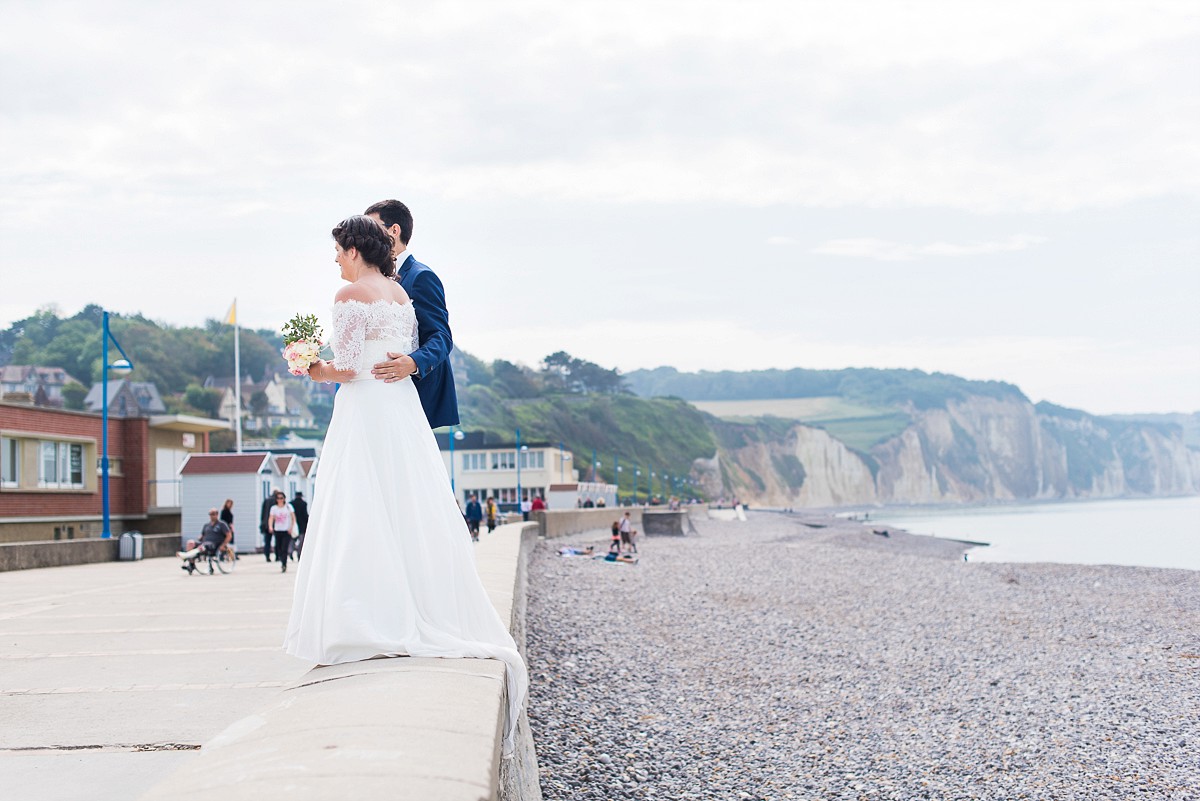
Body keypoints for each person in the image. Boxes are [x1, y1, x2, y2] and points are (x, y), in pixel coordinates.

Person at [284, 215, 526, 759]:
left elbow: (348, 368)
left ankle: (365, 619)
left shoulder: (350, 292)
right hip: (400, 412)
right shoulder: (397, 293)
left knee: (359, 507)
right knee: (405, 505)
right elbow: (387, 351)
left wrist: (309, 366)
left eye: (338, 250)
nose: (335, 260)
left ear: (354, 248)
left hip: (366, 409)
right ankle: (412, 607)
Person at [364, 200, 458, 429]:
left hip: (413, 392)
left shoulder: (421, 276)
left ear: (394, 230)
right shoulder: (373, 280)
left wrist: (413, 362)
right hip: (377, 395)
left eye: (373, 229)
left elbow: (441, 336)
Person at [268, 493, 296, 572]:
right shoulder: (274, 508)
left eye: (281, 498)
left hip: (286, 531)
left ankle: (284, 564)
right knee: (279, 548)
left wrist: (291, 528)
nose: (280, 500)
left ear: (284, 499)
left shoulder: (288, 507)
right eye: (278, 498)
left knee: (284, 548)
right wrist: (270, 526)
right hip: (278, 530)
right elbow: (271, 518)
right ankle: (282, 559)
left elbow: (293, 518)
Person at [260, 490, 281, 561]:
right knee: (277, 541)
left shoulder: (266, 500)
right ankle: (277, 556)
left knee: (267, 541)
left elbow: (263, 513)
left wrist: (263, 523)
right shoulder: (277, 501)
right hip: (276, 524)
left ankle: (267, 556)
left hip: (266, 524)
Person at [291, 491, 309, 558]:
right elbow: (305, 515)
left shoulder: (291, 503)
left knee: (292, 539)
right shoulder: (304, 504)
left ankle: (290, 551)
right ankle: (299, 552)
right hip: (302, 524)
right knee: (301, 540)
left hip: (293, 524)